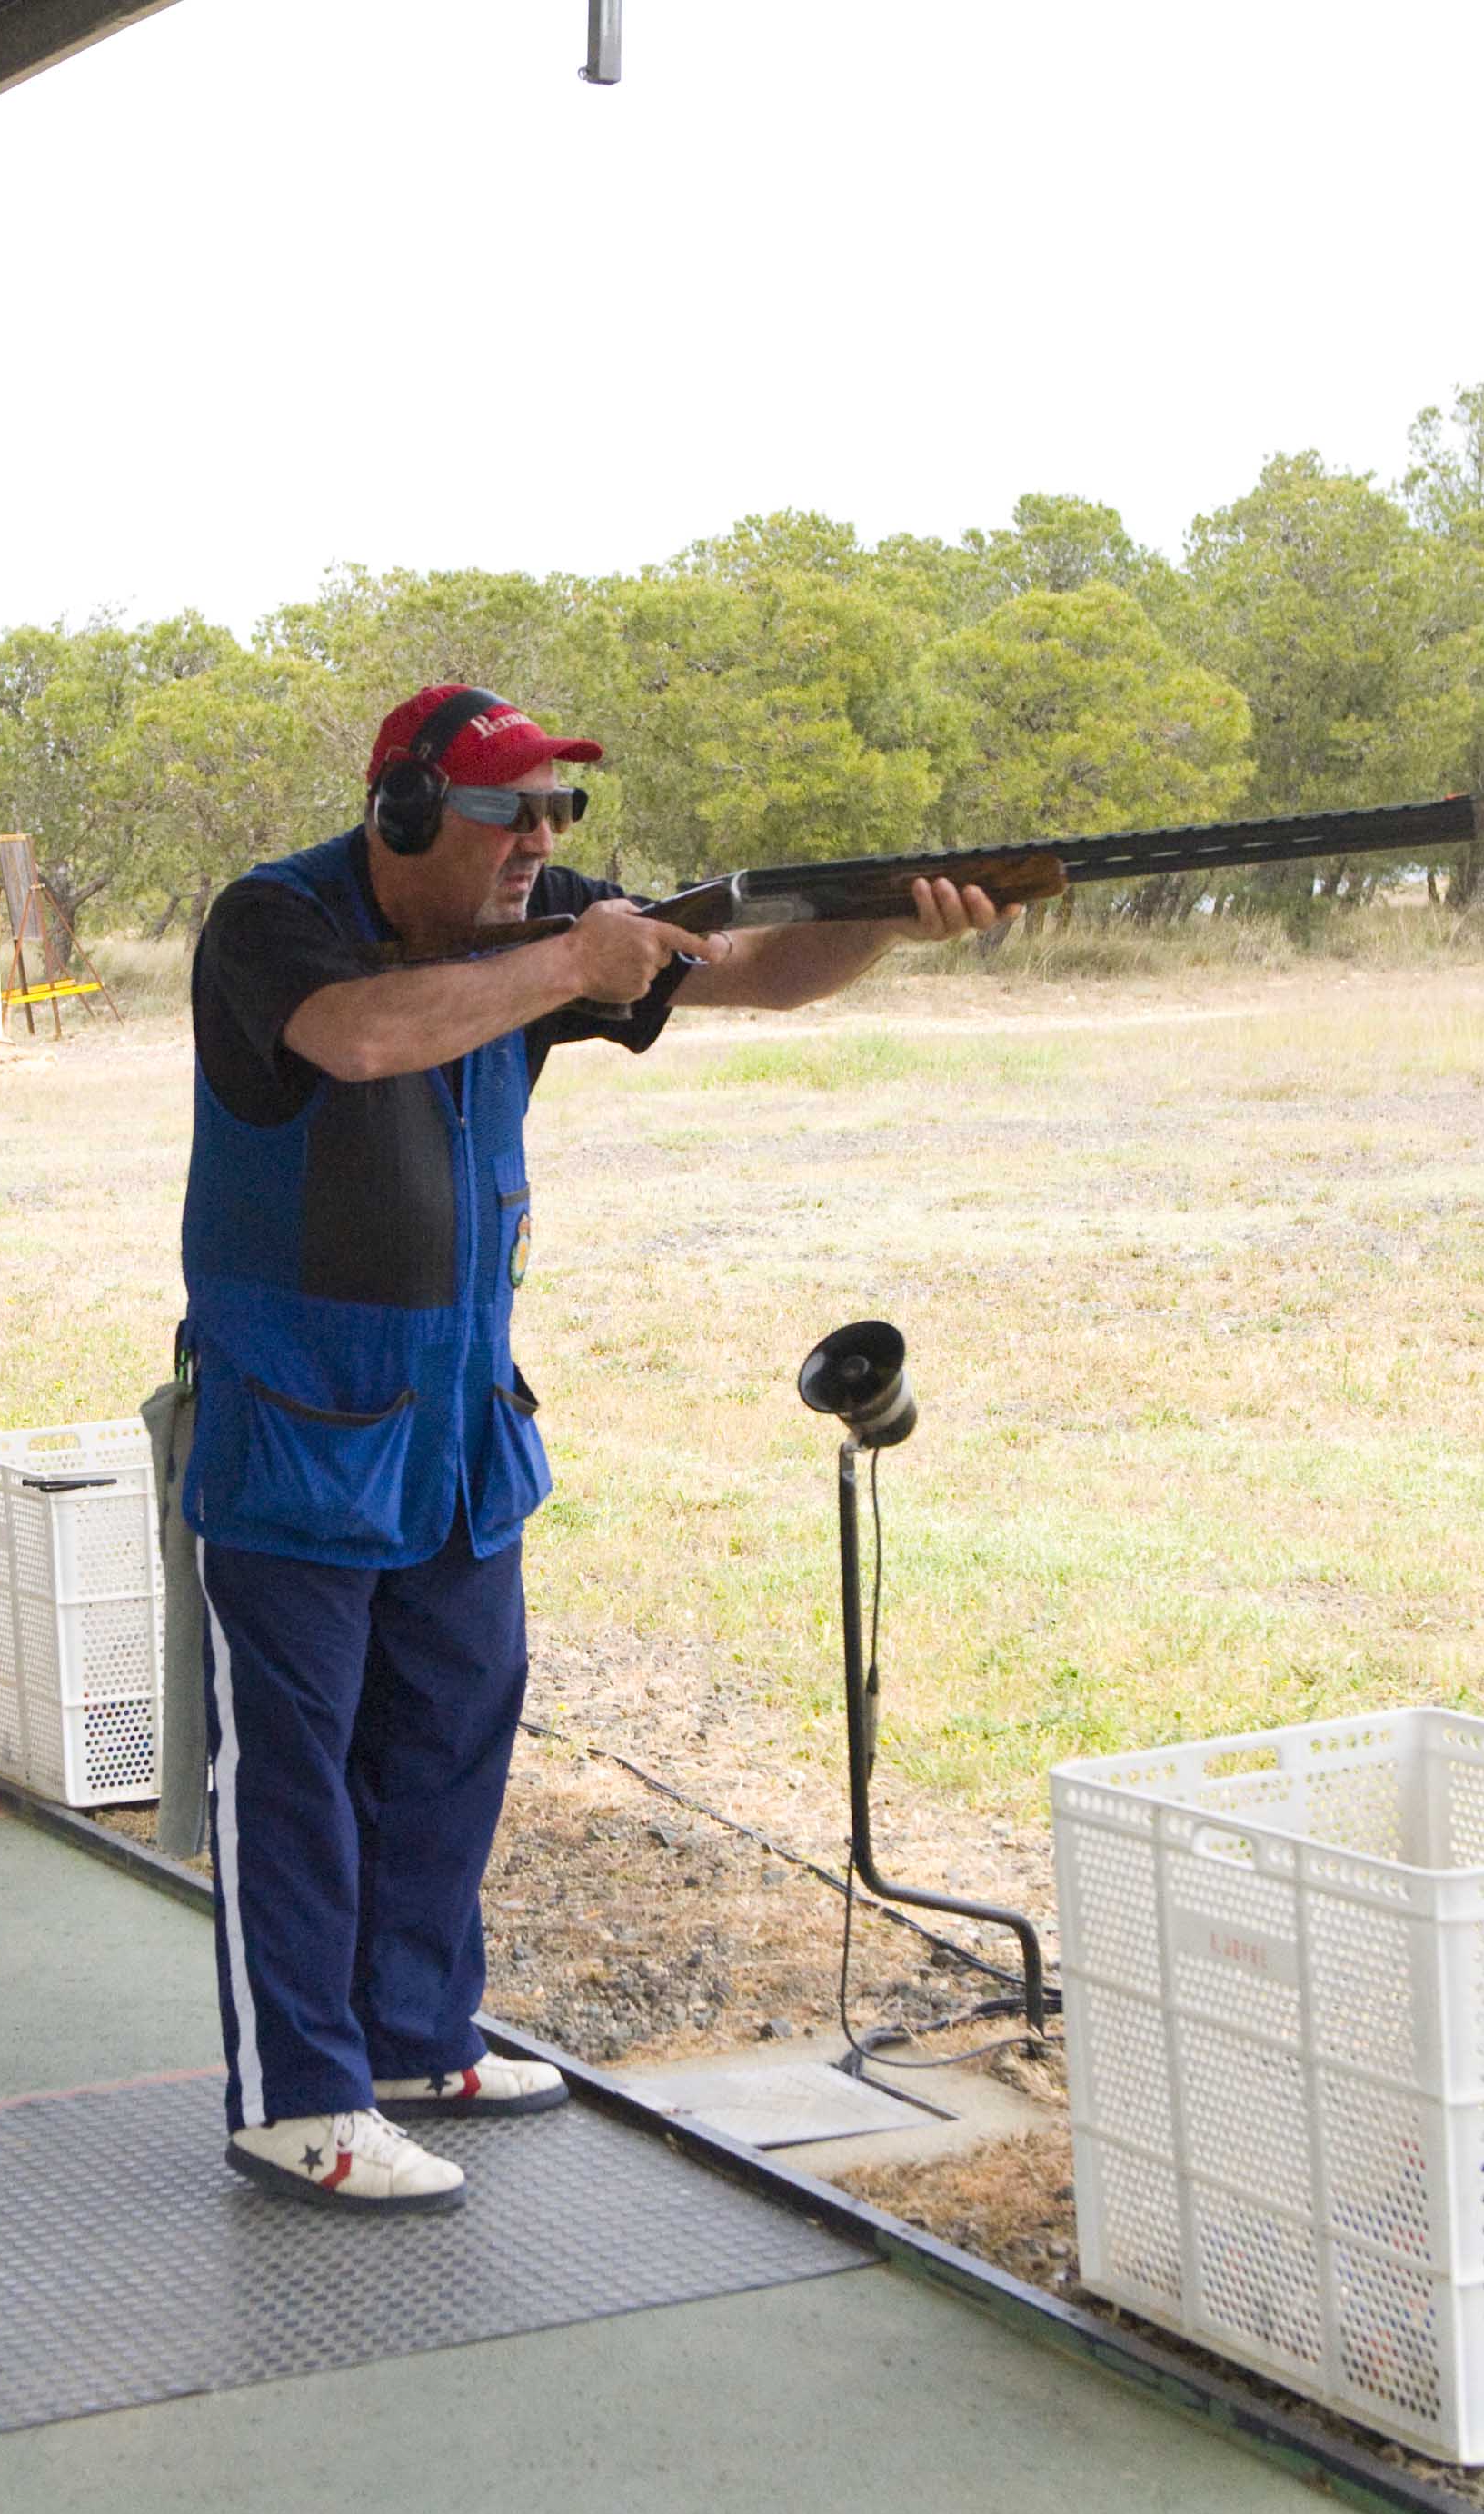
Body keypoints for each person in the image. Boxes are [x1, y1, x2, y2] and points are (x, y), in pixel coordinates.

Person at [182, 685, 1001, 2212]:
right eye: (510, 813)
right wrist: (570, 955)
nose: (542, 845)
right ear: (405, 816)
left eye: (558, 819)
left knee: (456, 1722)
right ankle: (298, 2098)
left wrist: (891, 918)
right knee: (294, 1769)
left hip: (456, 1414)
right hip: (298, 1412)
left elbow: (752, 966)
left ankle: (417, 2040)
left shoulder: (543, 919)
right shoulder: (271, 920)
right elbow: (360, 1039)